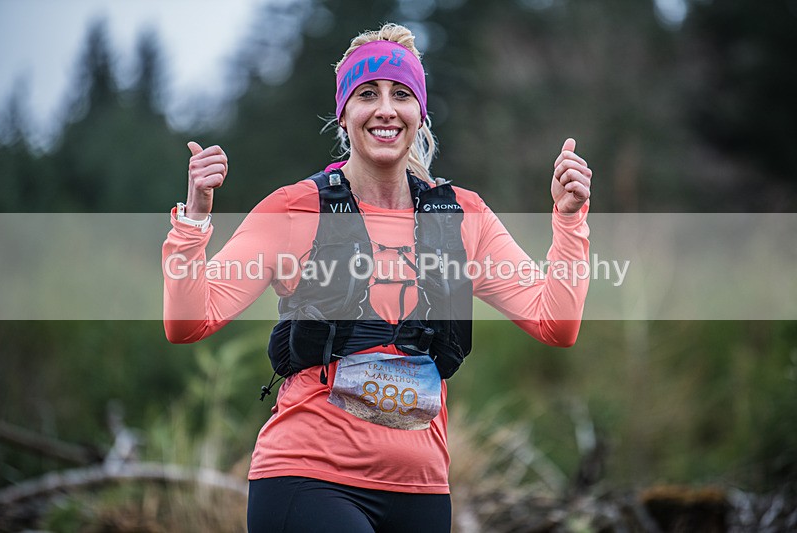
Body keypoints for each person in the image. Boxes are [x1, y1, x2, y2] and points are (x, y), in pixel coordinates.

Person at [162, 22, 592, 533]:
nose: (386, 108)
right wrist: (194, 219)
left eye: (401, 95)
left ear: (420, 113)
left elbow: (556, 324)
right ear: (344, 114)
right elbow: (188, 323)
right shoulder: (295, 209)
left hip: (422, 492)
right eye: (368, 94)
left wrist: (569, 220)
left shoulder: (461, 216)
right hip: (307, 480)